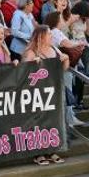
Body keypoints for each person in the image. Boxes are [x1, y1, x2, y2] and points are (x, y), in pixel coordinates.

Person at [22, 27, 67, 165]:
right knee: (37, 121)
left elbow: (62, 69)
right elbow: (22, 73)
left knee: (51, 120)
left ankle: (51, 149)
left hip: (52, 90)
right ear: (41, 36)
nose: (51, 36)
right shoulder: (31, 52)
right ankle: (38, 153)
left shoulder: (54, 50)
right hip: (36, 92)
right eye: (48, 34)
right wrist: (32, 64)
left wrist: (65, 60)